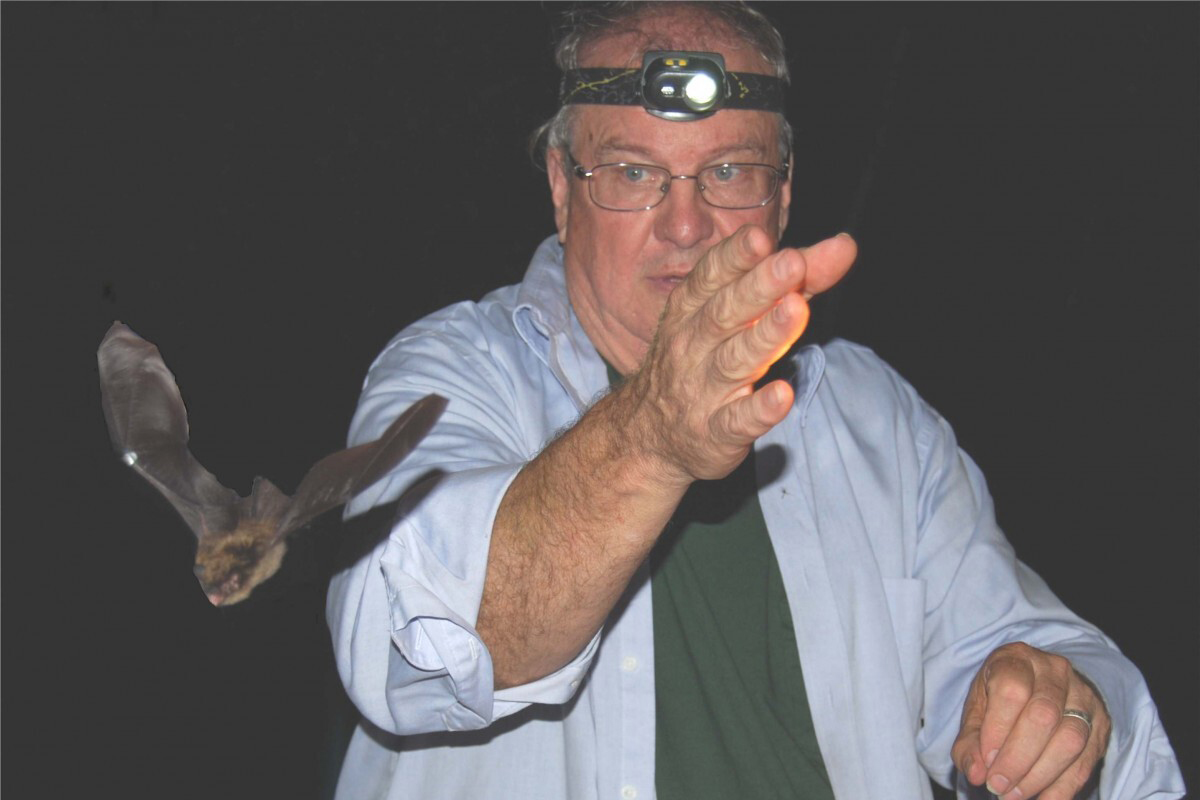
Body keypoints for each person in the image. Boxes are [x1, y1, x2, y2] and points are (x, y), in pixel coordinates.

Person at [327, 3, 1183, 798]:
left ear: (783, 190)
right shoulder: (450, 372)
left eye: (729, 171)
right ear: (560, 184)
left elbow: (1045, 653)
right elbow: (408, 642)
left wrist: (1058, 708)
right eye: (633, 172)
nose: (687, 225)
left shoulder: (872, 412)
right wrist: (655, 434)